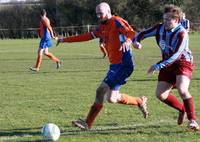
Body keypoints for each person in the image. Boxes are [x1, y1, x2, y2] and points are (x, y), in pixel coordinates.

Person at [57, 2, 149, 130]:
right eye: (97, 14)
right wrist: (64, 40)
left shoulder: (116, 21)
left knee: (100, 90)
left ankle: (87, 123)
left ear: (108, 11)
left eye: (101, 13)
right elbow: (87, 36)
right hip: (115, 66)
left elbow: (131, 32)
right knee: (112, 98)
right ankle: (139, 101)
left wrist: (128, 41)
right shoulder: (102, 26)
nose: (99, 16)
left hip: (123, 65)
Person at [133, 4, 199, 130]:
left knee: (182, 89)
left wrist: (158, 65)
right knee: (160, 95)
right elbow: (142, 34)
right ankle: (182, 109)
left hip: (183, 62)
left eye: (169, 19)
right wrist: (137, 42)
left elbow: (176, 55)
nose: (166, 22)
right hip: (167, 62)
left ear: (177, 20)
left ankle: (193, 121)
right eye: (164, 19)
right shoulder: (159, 28)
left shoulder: (182, 33)